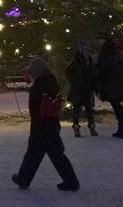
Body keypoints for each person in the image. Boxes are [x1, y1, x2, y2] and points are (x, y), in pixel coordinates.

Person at [10, 56, 79, 192]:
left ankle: (24, 179)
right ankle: (71, 181)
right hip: (51, 124)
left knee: (33, 154)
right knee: (56, 154)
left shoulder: (39, 86)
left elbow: (35, 108)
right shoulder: (52, 82)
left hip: (41, 126)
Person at [96, 33, 123, 138]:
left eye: (100, 39)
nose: (98, 42)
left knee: (119, 106)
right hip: (112, 83)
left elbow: (110, 65)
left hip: (113, 83)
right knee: (117, 106)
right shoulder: (108, 51)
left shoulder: (109, 52)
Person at [64, 39, 97, 137]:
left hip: (87, 88)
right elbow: (68, 72)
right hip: (78, 89)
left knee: (89, 109)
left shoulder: (89, 61)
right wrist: (75, 81)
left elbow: (93, 74)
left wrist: (94, 85)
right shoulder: (76, 61)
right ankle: (76, 128)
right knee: (76, 109)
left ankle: (92, 127)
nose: (86, 52)